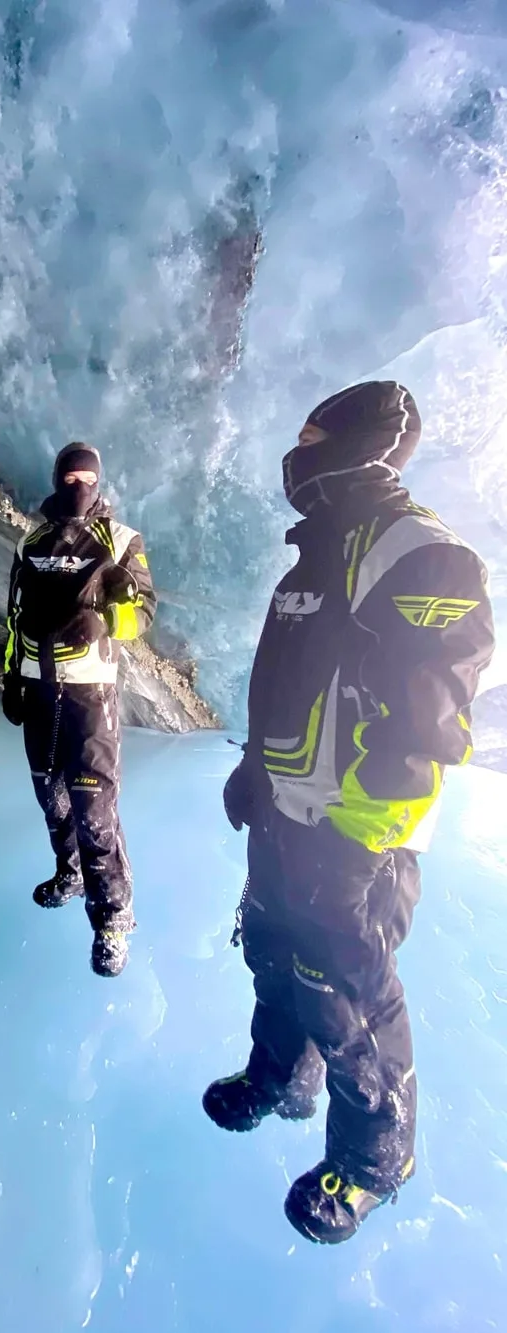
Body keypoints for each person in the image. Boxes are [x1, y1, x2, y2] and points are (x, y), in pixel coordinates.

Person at [207, 382, 495, 1244]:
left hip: (356, 834)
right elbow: (292, 686)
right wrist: (257, 768)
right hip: (290, 813)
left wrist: (361, 834)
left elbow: (425, 726)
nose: (296, 454)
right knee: (269, 948)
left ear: (357, 445)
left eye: (310, 435)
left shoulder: (419, 553)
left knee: (345, 991)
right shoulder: (320, 553)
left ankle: (374, 1161)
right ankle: (281, 1077)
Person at [2, 442, 157, 978]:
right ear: (55, 478)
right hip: (38, 692)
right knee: (53, 801)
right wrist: (10, 677)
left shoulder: (121, 539)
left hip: (91, 696)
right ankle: (68, 875)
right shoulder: (31, 539)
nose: (77, 484)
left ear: (99, 482)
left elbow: (144, 614)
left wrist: (109, 620)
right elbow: (14, 615)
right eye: (69, 476)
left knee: (95, 815)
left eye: (86, 477)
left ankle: (114, 919)